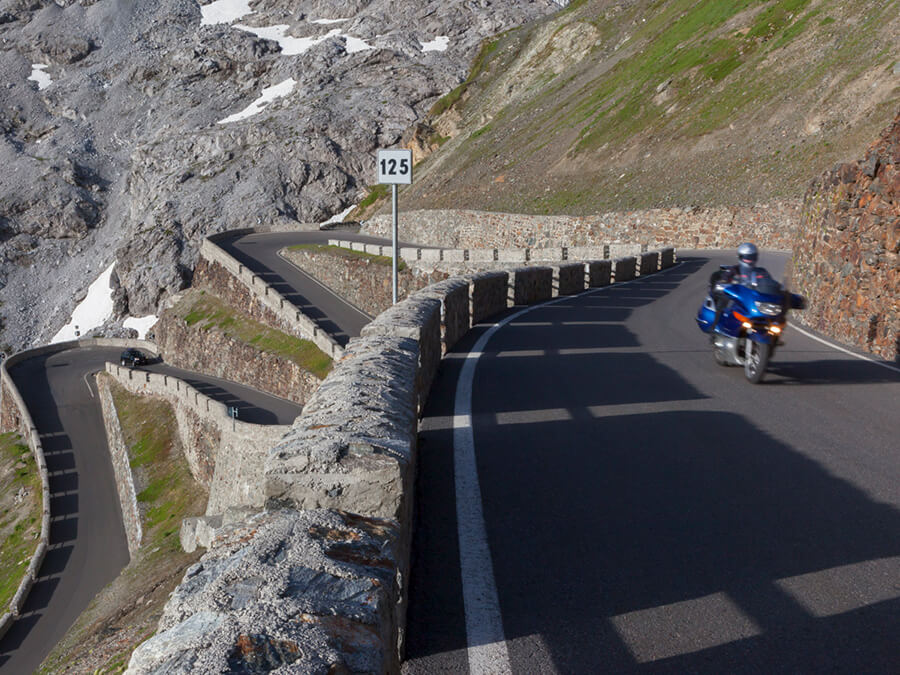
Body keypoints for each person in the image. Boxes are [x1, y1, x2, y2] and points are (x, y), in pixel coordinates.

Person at [708, 243, 774, 330]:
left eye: (751, 257)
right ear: (740, 257)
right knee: (723, 302)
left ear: (756, 257)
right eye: (746, 258)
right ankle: (716, 326)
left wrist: (776, 289)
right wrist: (723, 284)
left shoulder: (761, 272)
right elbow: (724, 280)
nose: (749, 260)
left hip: (754, 299)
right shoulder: (734, 270)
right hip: (737, 298)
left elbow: (771, 284)